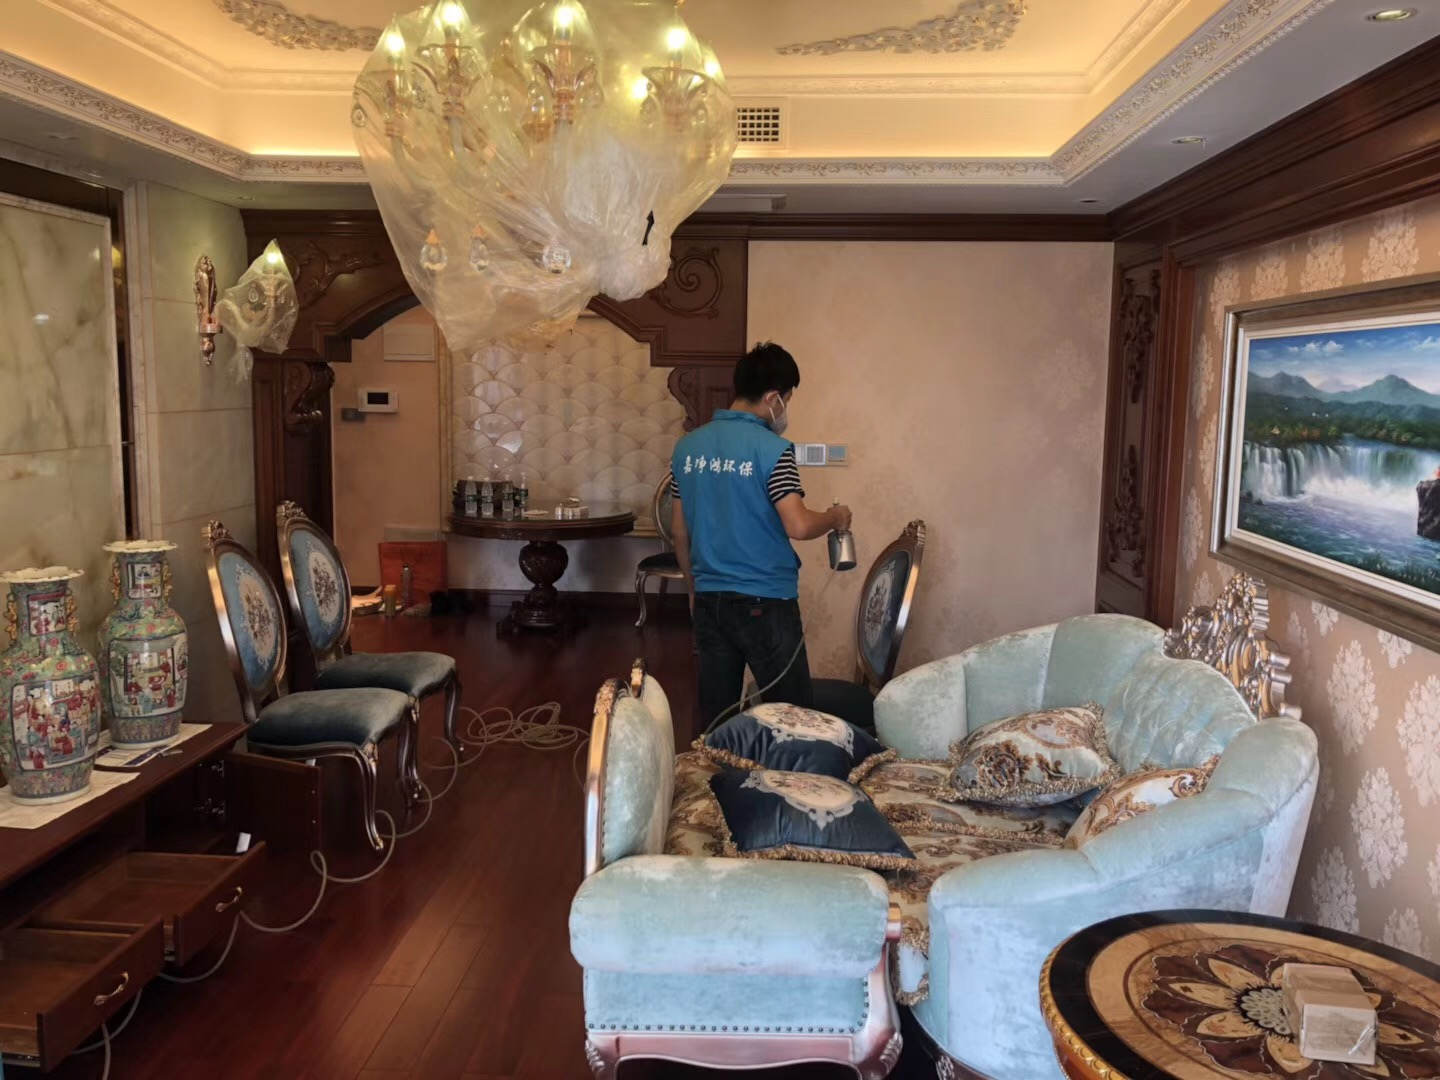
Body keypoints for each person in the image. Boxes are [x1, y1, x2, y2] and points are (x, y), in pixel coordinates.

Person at [669, 342, 853, 736]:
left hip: (711, 599)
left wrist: (692, 588)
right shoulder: (774, 450)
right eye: (787, 399)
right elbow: (798, 525)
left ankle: (717, 771)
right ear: (773, 398)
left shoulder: (687, 448)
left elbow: (679, 530)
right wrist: (835, 517)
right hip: (766, 603)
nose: (785, 410)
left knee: (717, 716)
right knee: (791, 717)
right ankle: (786, 775)